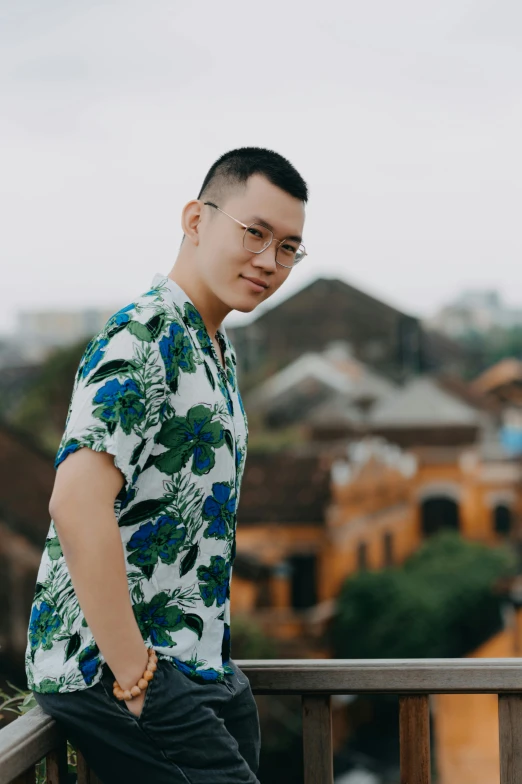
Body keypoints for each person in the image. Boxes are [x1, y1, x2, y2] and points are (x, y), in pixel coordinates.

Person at [25, 146, 308, 784]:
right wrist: (135, 675)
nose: (269, 261)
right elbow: (75, 502)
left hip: (198, 664)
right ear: (196, 219)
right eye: (254, 232)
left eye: (288, 247)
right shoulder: (143, 335)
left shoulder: (212, 348)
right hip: (116, 669)